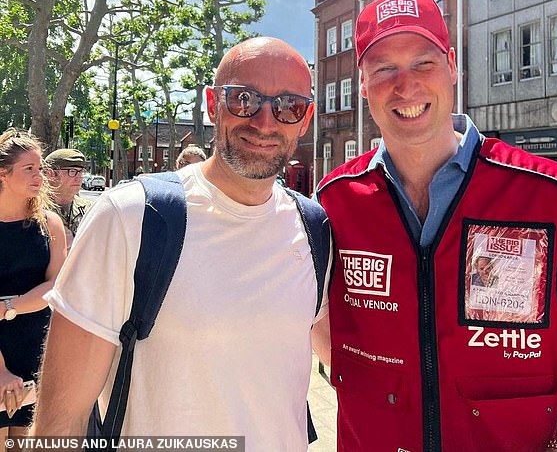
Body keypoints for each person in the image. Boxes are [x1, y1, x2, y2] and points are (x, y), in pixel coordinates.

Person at [312, 0, 557, 452]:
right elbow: (314, 319)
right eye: (384, 68)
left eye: (423, 62)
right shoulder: (333, 202)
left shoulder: (551, 195)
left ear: (452, 66)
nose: (406, 86)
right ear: (362, 83)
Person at [32, 37, 330, 450]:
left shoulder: (313, 230)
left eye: (288, 105)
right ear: (213, 105)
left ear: (305, 118)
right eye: (243, 99)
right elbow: (59, 425)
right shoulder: (131, 217)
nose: (264, 121)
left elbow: (356, 365)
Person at [0, 129, 67, 451]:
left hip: (36, 350)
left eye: (41, 168)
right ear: (3, 173)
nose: (40, 176)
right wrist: (0, 370)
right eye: (29, 168)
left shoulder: (49, 224)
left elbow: (56, 285)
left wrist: (9, 307)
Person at [45, 148, 93, 247]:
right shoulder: (35, 209)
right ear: (51, 174)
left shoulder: (89, 209)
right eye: (72, 171)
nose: (79, 177)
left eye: (81, 172)